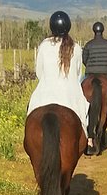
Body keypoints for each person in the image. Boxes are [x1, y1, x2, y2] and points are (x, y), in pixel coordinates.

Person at [27, 11, 91, 145]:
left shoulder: (44, 46)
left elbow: (39, 72)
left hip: (44, 93)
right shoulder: (77, 48)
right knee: (84, 113)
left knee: (30, 112)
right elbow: (78, 75)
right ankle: (88, 139)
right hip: (70, 95)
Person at [82, 21, 107, 110]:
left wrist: (90, 66)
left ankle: (76, 102)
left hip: (90, 73)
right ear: (103, 31)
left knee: (79, 83)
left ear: (94, 31)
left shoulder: (88, 44)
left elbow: (84, 60)